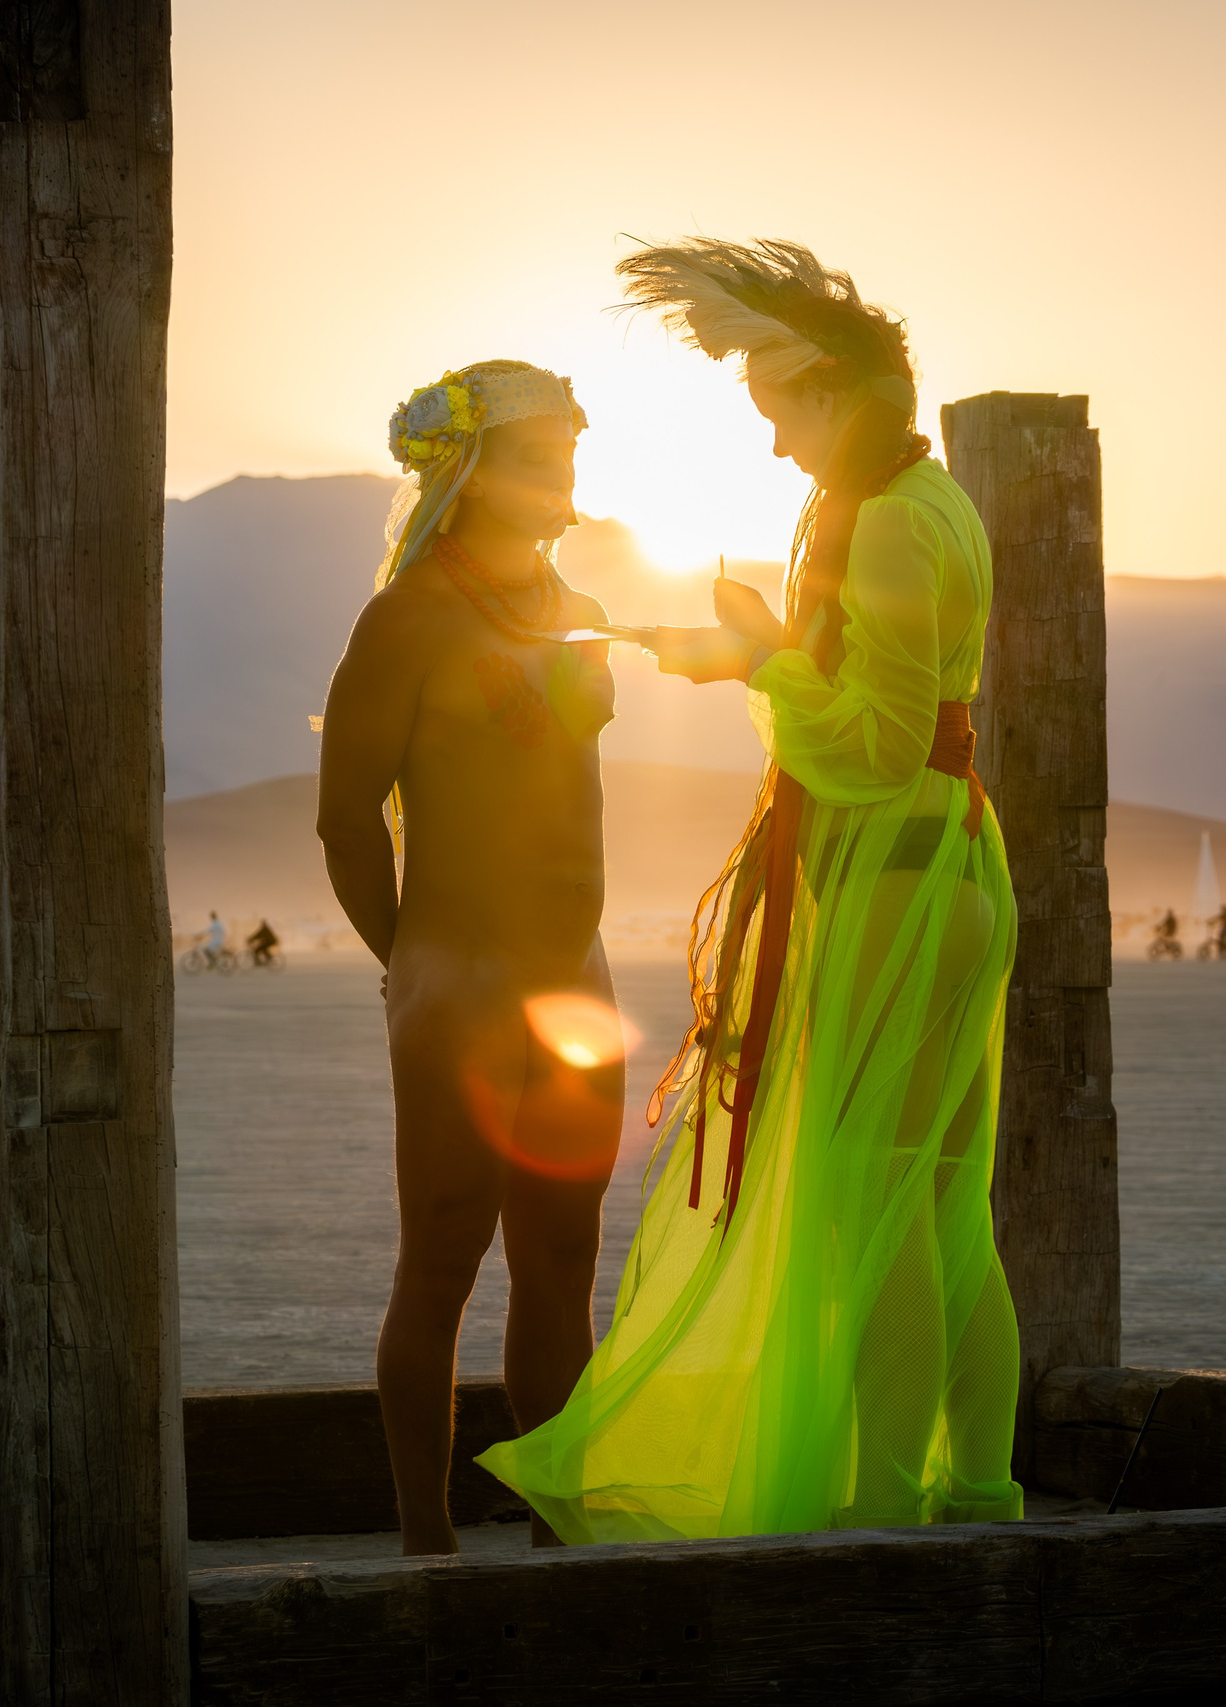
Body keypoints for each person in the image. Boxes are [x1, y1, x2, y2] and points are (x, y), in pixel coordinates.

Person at [479, 239, 1020, 1543]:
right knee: (943, 1196)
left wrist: (763, 665)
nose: (778, 448)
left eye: (780, 416)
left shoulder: (886, 524)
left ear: (834, 392)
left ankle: (890, 1497)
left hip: (892, 877)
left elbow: (875, 749)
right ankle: (983, 1478)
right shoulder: (935, 501)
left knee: (872, 1199)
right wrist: (762, 650)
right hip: (952, 865)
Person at [316, 359, 618, 1555]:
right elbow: (346, 821)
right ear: (469, 471)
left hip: (576, 976)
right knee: (442, 1254)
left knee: (562, 1259)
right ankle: (427, 1541)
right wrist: (412, 963)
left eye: (570, 455)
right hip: (458, 980)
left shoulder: (566, 603)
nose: (564, 478)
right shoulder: (406, 620)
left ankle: (554, 1523)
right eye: (539, 457)